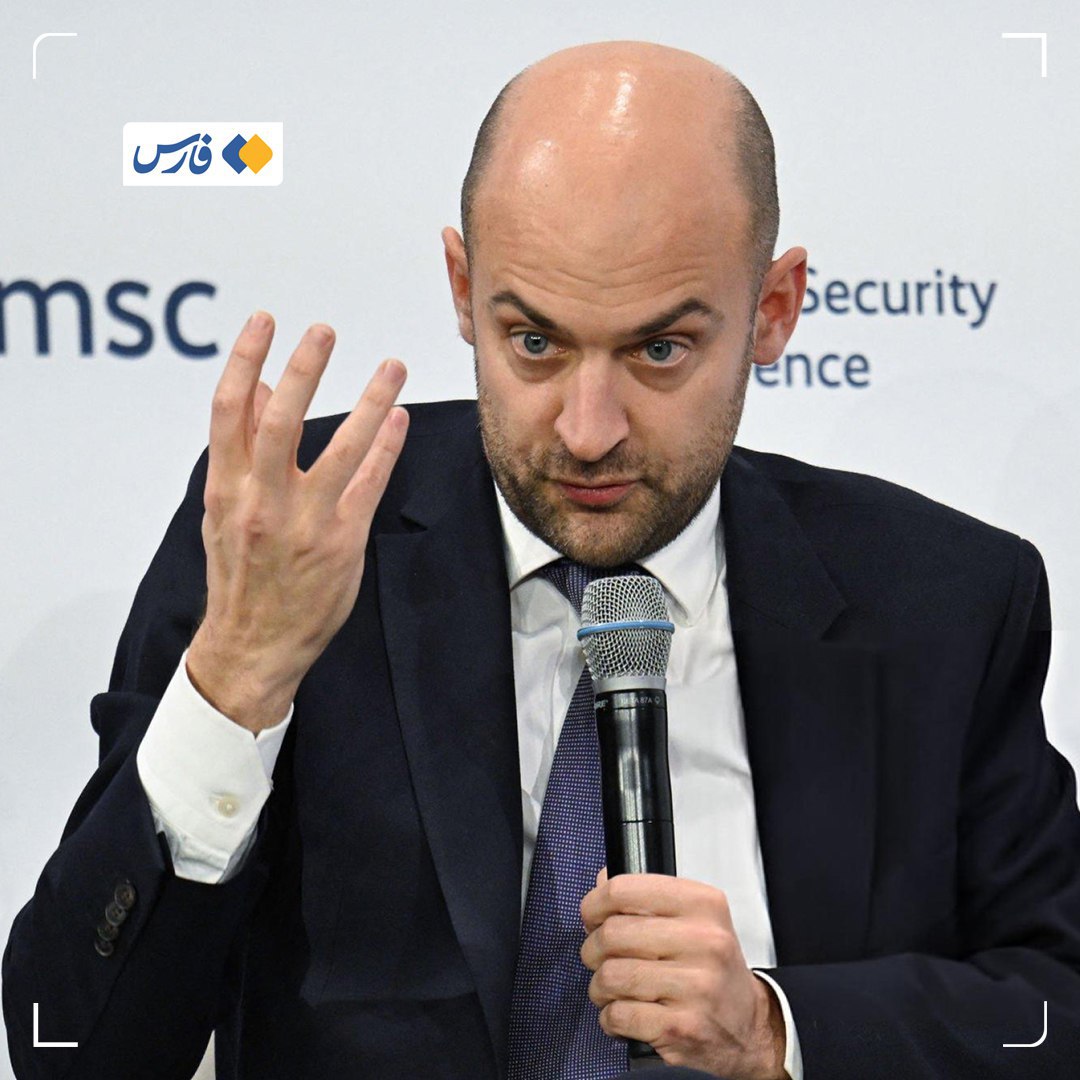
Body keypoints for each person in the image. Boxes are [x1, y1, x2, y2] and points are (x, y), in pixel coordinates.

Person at [4, 38, 1080, 1080]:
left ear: (774, 311)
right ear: (462, 287)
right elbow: (71, 1047)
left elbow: (1055, 1011)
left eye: (660, 349)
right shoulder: (296, 533)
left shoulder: (943, 600)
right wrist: (238, 680)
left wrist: (774, 1032)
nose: (587, 429)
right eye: (534, 343)